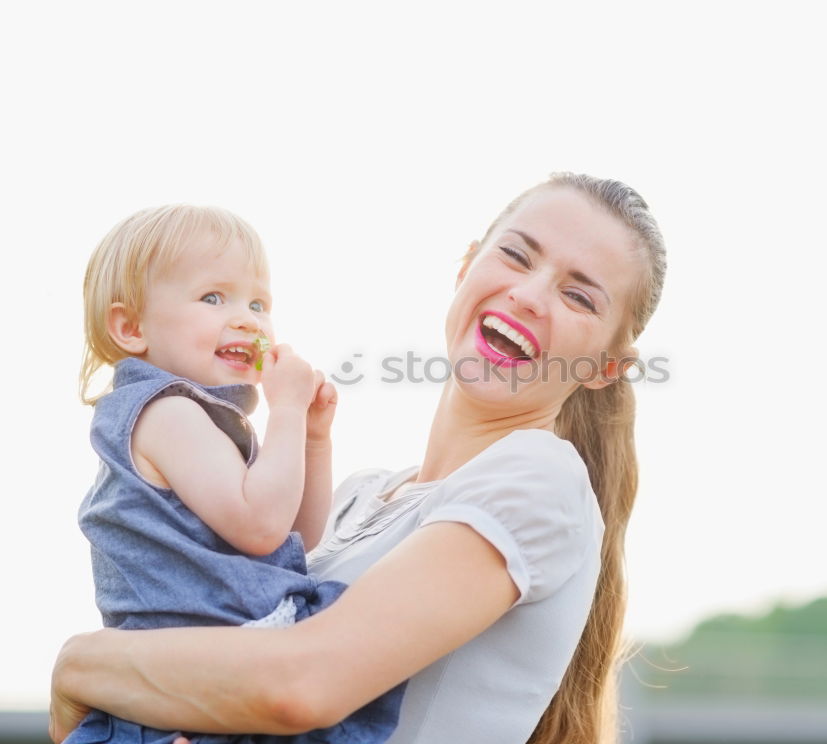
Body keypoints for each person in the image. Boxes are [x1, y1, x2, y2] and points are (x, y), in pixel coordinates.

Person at [51, 173, 667, 744]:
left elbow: (300, 685)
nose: (530, 295)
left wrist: (82, 665)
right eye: (516, 255)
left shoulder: (540, 477)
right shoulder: (359, 495)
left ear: (606, 368)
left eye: (579, 297)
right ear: (464, 269)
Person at [68, 205, 402, 744]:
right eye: (212, 298)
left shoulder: (207, 426)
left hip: (210, 673)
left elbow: (297, 535)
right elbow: (260, 525)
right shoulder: (165, 412)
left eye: (259, 302)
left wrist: (313, 438)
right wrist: (287, 413)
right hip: (187, 688)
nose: (248, 318)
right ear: (131, 328)